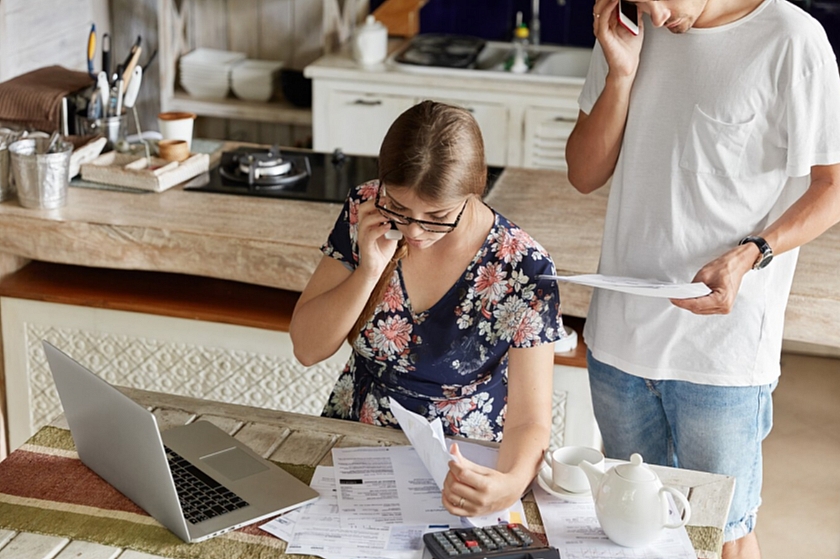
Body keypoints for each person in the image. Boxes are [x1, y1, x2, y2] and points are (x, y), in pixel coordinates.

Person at [565, 0, 840, 556]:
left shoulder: (790, 39)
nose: (656, 15)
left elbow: (833, 185)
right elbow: (584, 173)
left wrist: (751, 253)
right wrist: (621, 73)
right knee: (632, 530)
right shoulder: (632, 28)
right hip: (619, 343)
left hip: (721, 356)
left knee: (720, 534)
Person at [290, 100, 566, 517]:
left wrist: (509, 485)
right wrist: (369, 271)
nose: (414, 232)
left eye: (436, 217)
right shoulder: (366, 209)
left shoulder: (524, 268)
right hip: (355, 444)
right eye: (399, 210)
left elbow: (530, 420)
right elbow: (307, 348)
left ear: (474, 192)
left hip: (460, 466)